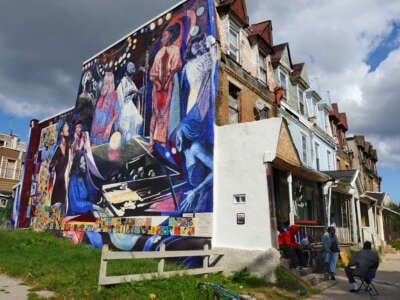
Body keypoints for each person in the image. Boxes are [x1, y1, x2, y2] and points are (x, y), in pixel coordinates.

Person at [149, 22, 182, 152]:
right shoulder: (159, 53)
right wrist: (158, 84)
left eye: (165, 35)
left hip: (169, 86)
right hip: (157, 88)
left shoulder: (175, 50)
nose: (163, 38)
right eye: (162, 36)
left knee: (166, 113)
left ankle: (163, 140)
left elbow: (174, 68)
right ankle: (152, 140)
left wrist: (167, 83)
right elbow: (153, 72)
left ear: (171, 36)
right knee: (155, 113)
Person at [90, 71, 120, 145]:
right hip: (94, 131)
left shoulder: (114, 95)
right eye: (105, 82)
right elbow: (96, 113)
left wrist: (110, 126)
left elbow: (117, 113)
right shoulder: (101, 95)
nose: (106, 84)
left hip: (104, 132)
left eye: (108, 82)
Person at [116, 61, 143, 142]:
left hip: (130, 105)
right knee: (126, 127)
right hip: (125, 107)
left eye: (133, 66)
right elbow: (124, 92)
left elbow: (134, 93)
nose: (132, 68)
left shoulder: (131, 82)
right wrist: (135, 91)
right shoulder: (124, 81)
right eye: (130, 66)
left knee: (136, 122)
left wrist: (138, 92)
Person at [49, 122, 70, 206]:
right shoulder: (57, 148)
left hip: (65, 183)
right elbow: (50, 166)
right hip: (58, 185)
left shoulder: (69, 147)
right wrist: (54, 163)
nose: (68, 127)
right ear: (61, 133)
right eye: (66, 126)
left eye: (67, 125)